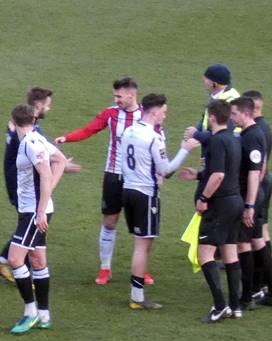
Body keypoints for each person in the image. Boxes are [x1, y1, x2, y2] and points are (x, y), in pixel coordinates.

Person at [55, 78, 154, 285]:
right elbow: (88, 130)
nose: (116, 99)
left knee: (141, 226)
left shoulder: (147, 115)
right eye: (114, 96)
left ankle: (141, 270)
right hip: (113, 175)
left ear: (131, 95)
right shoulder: (111, 113)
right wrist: (66, 138)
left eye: (119, 96)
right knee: (109, 222)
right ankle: (105, 268)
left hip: (138, 178)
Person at [0, 87, 80, 282]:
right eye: (47, 104)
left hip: (17, 180)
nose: (49, 108)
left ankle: (20, 261)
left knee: (32, 223)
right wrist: (62, 165)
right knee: (32, 222)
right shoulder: (30, 130)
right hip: (22, 184)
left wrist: (59, 161)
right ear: (38, 106)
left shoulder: (19, 123)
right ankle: (9, 260)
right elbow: (40, 153)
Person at [119, 94, 198, 310]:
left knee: (142, 243)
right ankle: (137, 297)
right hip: (145, 194)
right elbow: (166, 170)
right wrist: (185, 149)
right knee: (142, 246)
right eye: (164, 111)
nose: (165, 114)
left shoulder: (128, 131)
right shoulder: (154, 137)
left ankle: (137, 294)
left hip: (128, 190)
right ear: (154, 112)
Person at [6, 104, 67, 335]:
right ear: (34, 119)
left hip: (34, 211)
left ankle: (30, 313)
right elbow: (60, 161)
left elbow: (45, 173)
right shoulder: (37, 139)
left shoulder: (31, 144)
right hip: (34, 209)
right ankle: (44, 316)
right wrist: (47, 197)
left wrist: (41, 210)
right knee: (38, 260)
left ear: (13, 123)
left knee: (14, 258)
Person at [182, 100, 243, 323]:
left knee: (204, 254)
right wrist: (197, 175)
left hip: (219, 205)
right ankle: (235, 306)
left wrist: (203, 198)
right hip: (236, 201)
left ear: (213, 117)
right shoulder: (234, 139)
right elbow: (224, 170)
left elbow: (218, 175)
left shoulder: (217, 141)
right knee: (230, 253)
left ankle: (219, 306)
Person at [231, 97, 267, 312]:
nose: (232, 118)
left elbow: (255, 173)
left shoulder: (252, 136)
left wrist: (250, 205)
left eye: (234, 114)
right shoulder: (247, 134)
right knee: (253, 242)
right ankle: (253, 291)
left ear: (246, 113)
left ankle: (247, 296)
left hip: (248, 197)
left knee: (244, 245)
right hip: (248, 196)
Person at [243, 91, 272, 305]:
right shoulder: (263, 127)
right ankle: (261, 284)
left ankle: (260, 286)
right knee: (260, 234)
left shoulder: (257, 131)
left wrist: (251, 199)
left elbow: (259, 168)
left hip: (257, 188)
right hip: (262, 186)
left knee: (255, 239)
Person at [184, 64, 241, 144]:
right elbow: (206, 117)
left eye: (207, 79)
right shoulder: (216, 95)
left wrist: (195, 134)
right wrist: (196, 130)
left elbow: (222, 134)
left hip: (223, 147)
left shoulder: (230, 102)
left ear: (214, 84)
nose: (204, 81)